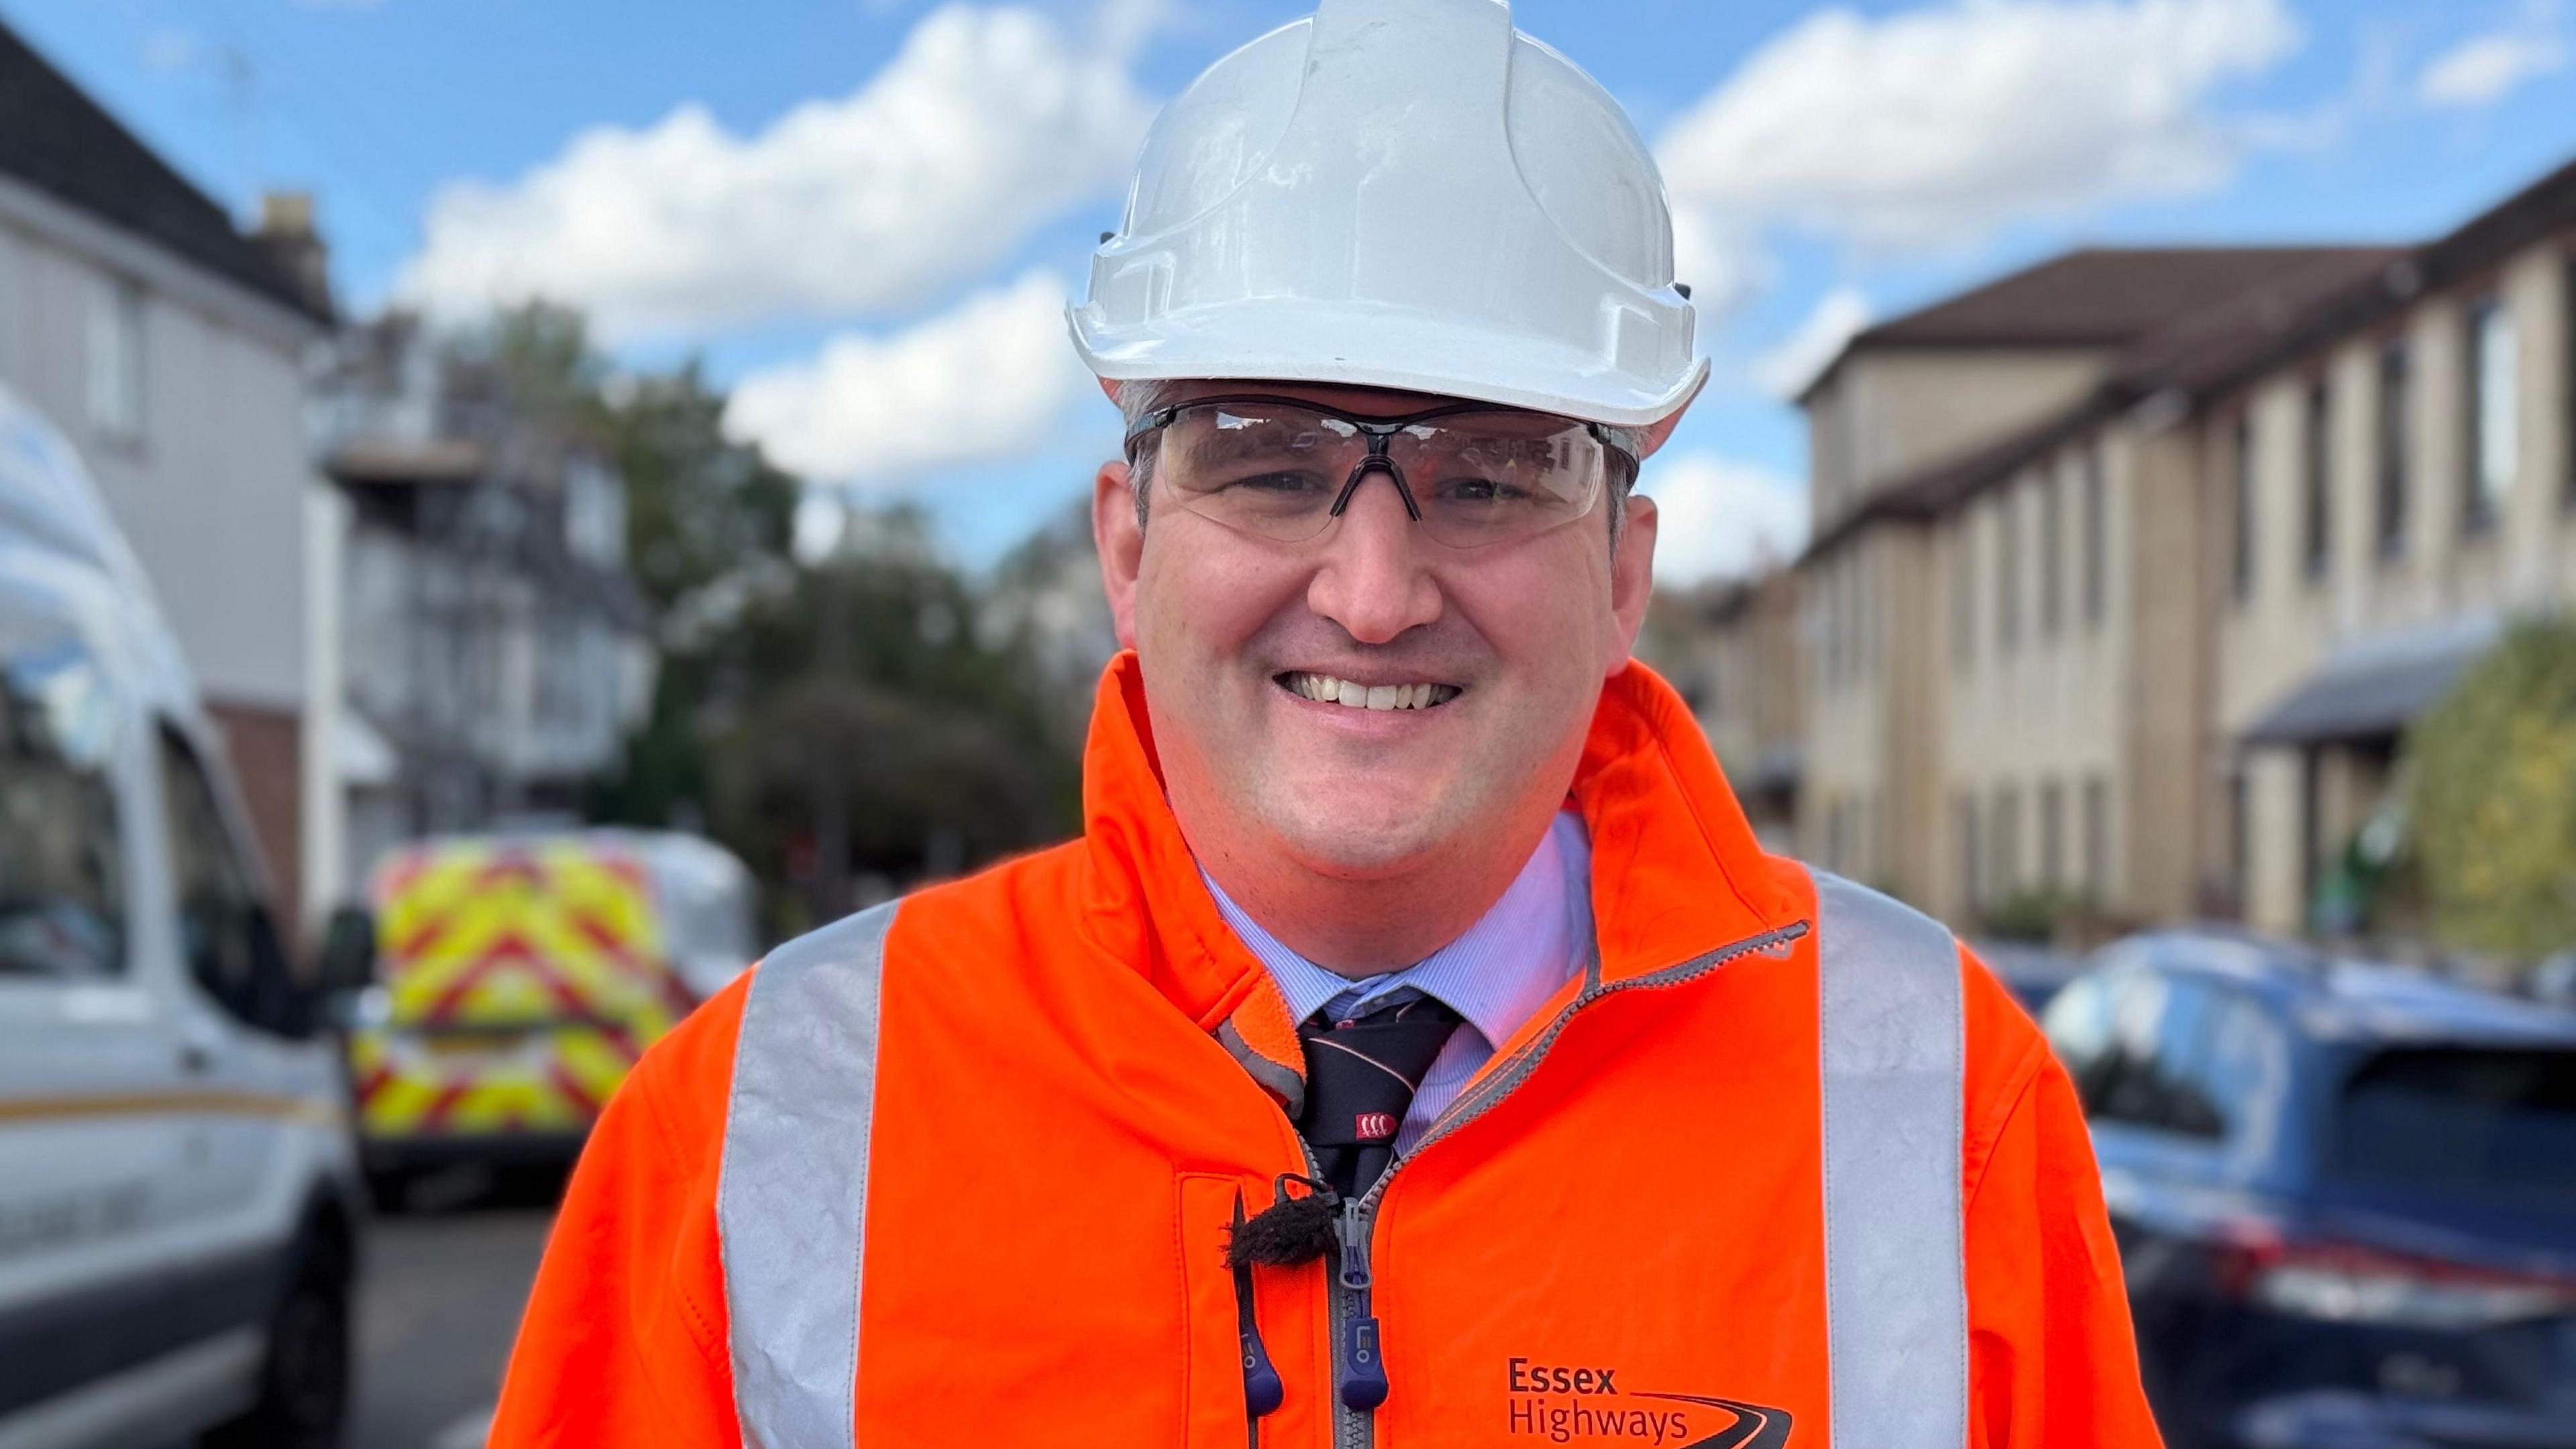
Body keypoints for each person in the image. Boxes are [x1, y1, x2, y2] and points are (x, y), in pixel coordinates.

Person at [489, 1, 2163, 1444]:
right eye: (1271, 463)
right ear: (1128, 549)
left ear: (1626, 571)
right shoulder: (761, 1126)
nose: (1373, 589)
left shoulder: (1937, 1106)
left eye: (1489, 473)